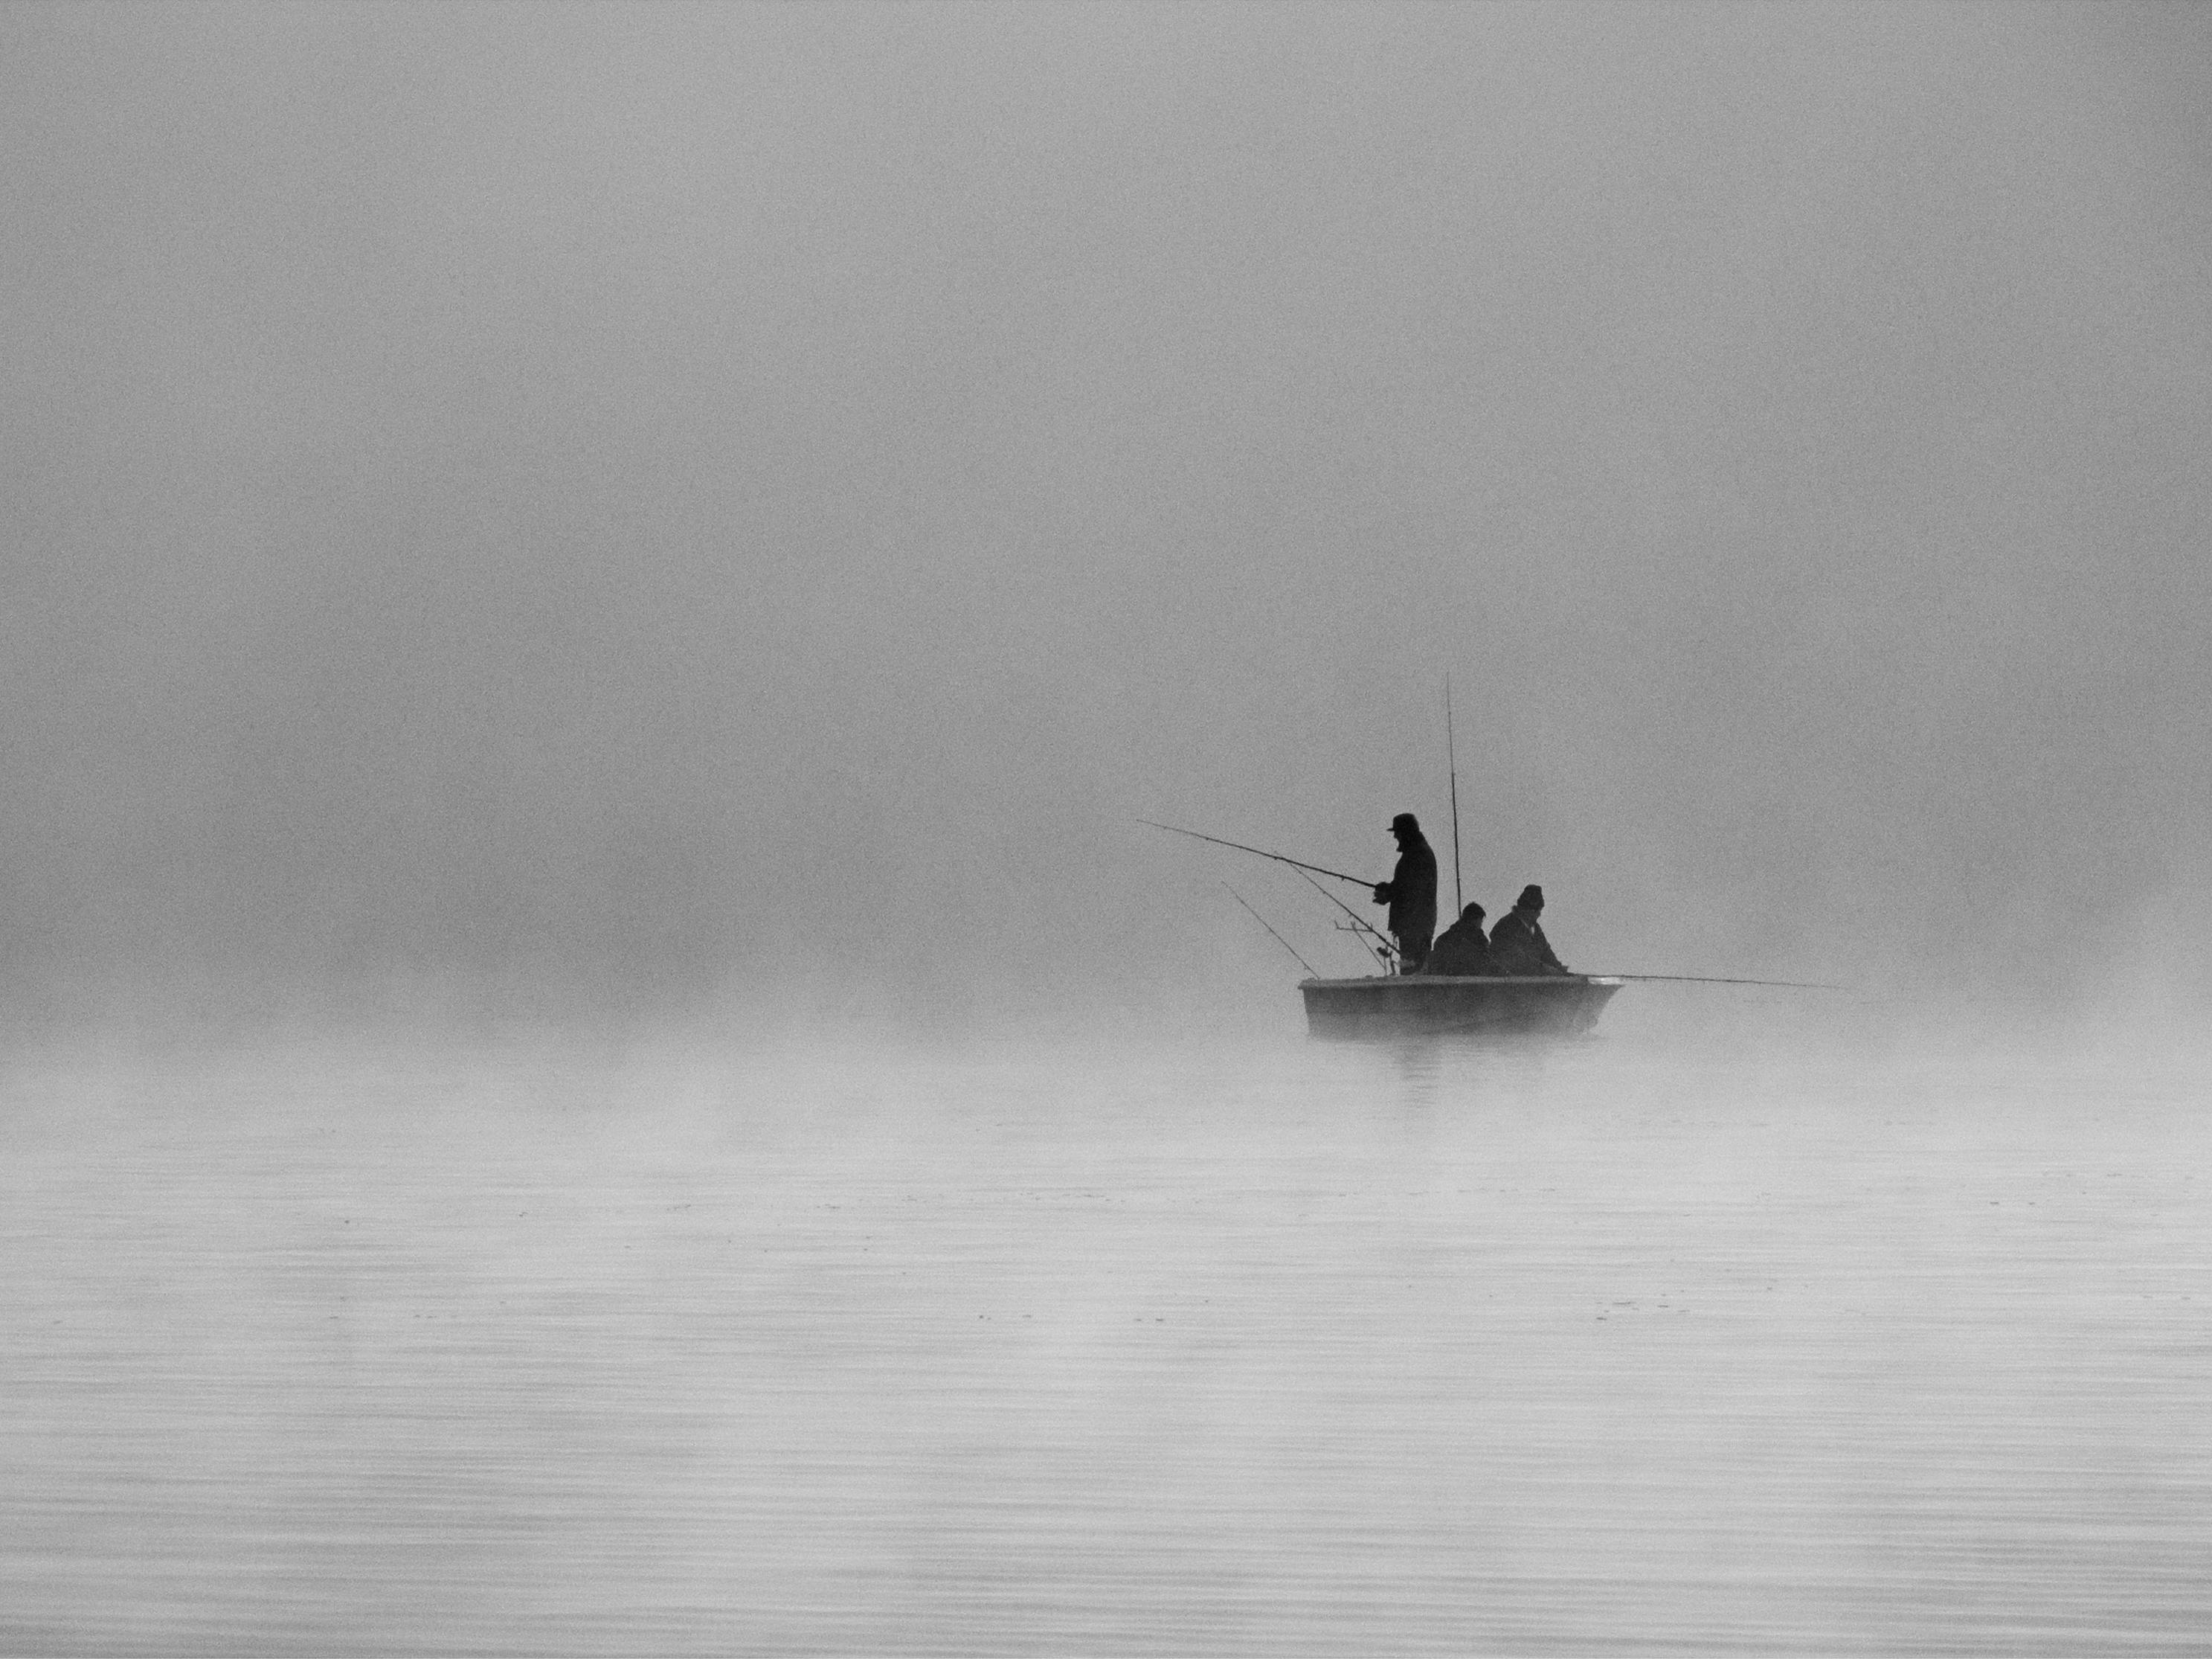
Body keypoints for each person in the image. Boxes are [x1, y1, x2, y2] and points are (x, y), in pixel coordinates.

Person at [1371, 813, 1438, 973]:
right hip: (1416, 926)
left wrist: (1388, 893)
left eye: (1398, 832)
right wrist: (1389, 889)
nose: (1395, 836)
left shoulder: (1417, 855)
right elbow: (1406, 886)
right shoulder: (1417, 853)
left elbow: (1411, 892)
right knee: (1413, 970)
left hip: (1414, 927)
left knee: (1412, 972)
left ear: (1406, 832)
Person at [1486, 884, 1570, 975]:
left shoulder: (1535, 929)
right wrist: (1543, 969)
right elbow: (1516, 959)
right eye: (1536, 911)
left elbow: (1546, 952)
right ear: (1525, 909)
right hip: (1506, 983)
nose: (1539, 914)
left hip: (1530, 982)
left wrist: (1558, 968)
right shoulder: (1506, 927)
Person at [1422, 902, 1491, 975]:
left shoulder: (1444, 938)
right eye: (1481, 921)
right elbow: (1486, 961)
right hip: (1471, 980)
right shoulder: (1478, 940)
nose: (1481, 924)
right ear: (1475, 919)